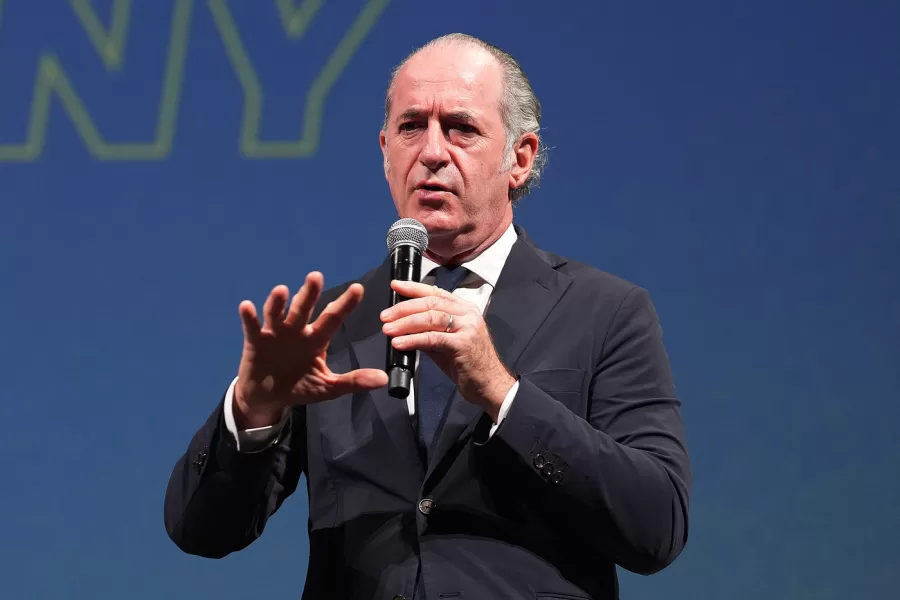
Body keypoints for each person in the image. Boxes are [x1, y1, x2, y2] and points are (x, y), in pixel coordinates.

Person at [164, 33, 691, 600]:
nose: (432, 152)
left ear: (520, 158)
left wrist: (502, 391)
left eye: (461, 128)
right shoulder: (331, 324)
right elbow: (202, 531)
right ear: (385, 151)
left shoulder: (605, 311)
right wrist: (252, 410)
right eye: (412, 127)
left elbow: (656, 527)